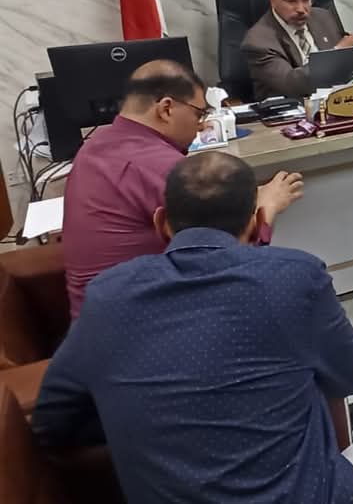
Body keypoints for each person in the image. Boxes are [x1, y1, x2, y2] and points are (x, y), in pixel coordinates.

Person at [33, 151, 353, 504]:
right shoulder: (291, 277)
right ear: (254, 221)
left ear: (162, 223)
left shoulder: (108, 295)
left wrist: (149, 412)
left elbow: (55, 423)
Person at [60, 59, 302, 320]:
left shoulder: (96, 145)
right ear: (166, 109)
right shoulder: (159, 167)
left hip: (98, 319)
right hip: (146, 322)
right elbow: (228, 264)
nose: (202, 126)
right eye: (199, 114)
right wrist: (266, 209)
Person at [243, 0, 353, 100]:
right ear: (273, 0)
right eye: (291, 1)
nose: (301, 9)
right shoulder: (258, 41)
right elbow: (291, 84)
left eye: (306, 0)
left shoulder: (323, 17)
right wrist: (337, 53)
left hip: (337, 100)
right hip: (293, 108)